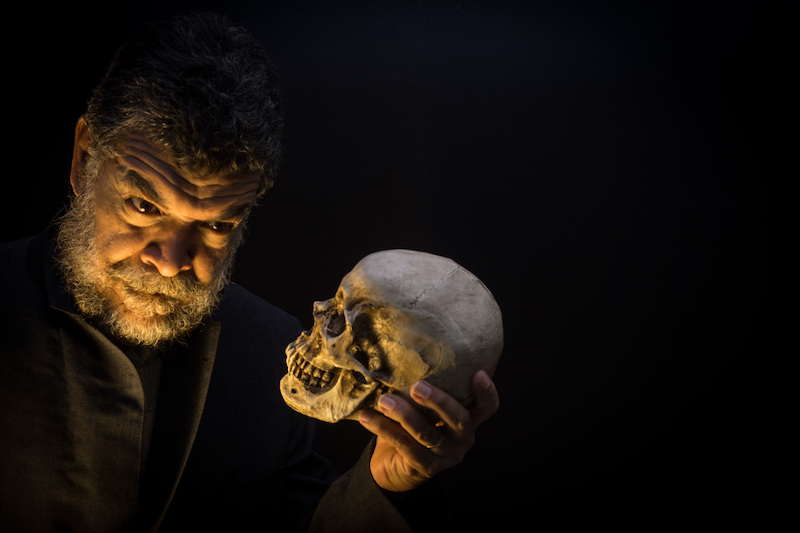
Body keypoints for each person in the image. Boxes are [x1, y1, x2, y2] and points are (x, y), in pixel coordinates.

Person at [0, 12, 499, 532]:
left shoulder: (269, 347)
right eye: (142, 206)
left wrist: (391, 487)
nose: (172, 263)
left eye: (216, 224)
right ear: (83, 160)